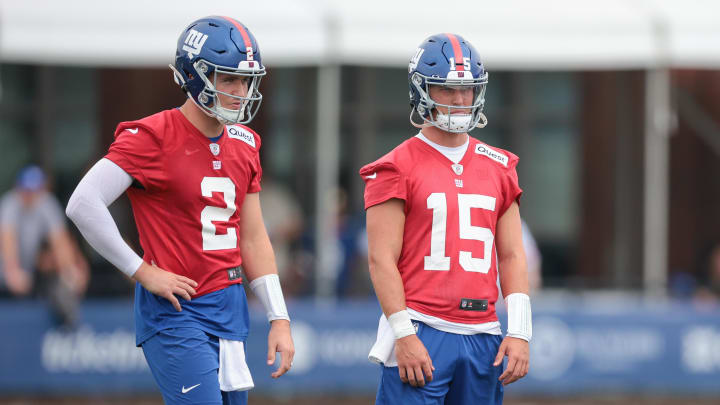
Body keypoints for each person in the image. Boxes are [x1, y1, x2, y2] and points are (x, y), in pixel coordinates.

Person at [66, 16, 294, 405]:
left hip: (229, 309)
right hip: (177, 312)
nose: (240, 91)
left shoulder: (245, 142)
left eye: (246, 80)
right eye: (228, 79)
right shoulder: (153, 136)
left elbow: (254, 237)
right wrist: (142, 271)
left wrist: (279, 317)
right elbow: (83, 203)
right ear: (193, 76)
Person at [360, 34, 531, 404]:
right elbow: (381, 259)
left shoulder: (501, 166)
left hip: (483, 332)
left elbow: (514, 255)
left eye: (467, 89)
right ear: (422, 90)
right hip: (423, 326)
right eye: (447, 89)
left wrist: (520, 330)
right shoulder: (394, 166)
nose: (459, 100)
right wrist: (403, 334)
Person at [0, 165, 89, 326]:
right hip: (6, 270)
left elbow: (59, 240)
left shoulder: (45, 202)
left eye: (34, 190)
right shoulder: (9, 204)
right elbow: (8, 239)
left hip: (26, 272)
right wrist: (12, 270)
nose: (30, 195)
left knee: (55, 283)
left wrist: (68, 270)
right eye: (26, 190)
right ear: (18, 187)